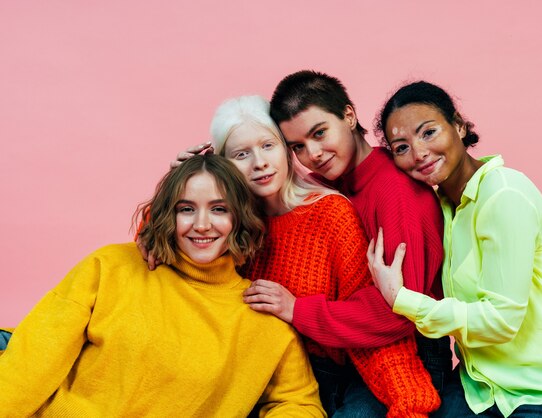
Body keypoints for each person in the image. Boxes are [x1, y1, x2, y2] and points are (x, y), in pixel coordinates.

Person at [168, 95, 441, 417]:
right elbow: (168, 254)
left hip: (334, 377)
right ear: (223, 164)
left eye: (268, 146)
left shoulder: (329, 212)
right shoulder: (227, 222)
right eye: (241, 154)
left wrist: (409, 402)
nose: (259, 163)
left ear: (286, 150)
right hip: (252, 377)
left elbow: (370, 321)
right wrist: (180, 183)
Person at [0, 154, 325, 417]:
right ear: (168, 215)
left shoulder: (263, 321)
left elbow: (300, 404)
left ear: (239, 217)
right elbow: (32, 360)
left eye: (218, 209)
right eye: (186, 209)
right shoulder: (110, 266)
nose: (201, 225)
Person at [368, 80, 542, 417]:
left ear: (458, 125)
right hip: (481, 388)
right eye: (401, 147)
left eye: (428, 133)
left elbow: (502, 320)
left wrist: (401, 299)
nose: (419, 153)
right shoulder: (443, 208)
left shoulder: (503, 194)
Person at [266, 70, 453, 392]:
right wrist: (196, 172)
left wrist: (297, 309)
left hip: (408, 355)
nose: (313, 154)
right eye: (298, 147)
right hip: (349, 349)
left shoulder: (396, 192)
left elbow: (398, 312)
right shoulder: (331, 186)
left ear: (349, 116)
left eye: (320, 133)